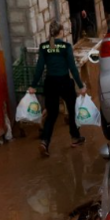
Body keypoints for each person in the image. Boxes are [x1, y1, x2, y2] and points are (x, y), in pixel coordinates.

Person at [28, 19, 87, 157]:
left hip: (50, 83)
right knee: (72, 110)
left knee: (52, 115)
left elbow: (39, 68)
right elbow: (72, 68)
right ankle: (75, 137)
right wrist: (80, 85)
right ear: (61, 32)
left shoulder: (44, 47)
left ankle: (45, 142)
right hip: (64, 82)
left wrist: (33, 85)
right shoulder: (66, 47)